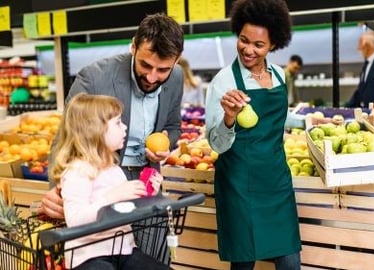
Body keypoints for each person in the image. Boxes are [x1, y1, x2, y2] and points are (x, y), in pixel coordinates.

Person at [40, 12, 184, 219]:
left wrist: (164, 146)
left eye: (162, 70)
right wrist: (57, 190)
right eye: (145, 65)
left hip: (147, 181)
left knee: (152, 250)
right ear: (133, 47)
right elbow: (64, 139)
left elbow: (172, 126)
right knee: (108, 246)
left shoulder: (176, 77)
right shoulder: (94, 78)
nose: (152, 77)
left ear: (177, 60)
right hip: (100, 183)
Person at [204, 0, 302, 269]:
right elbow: (216, 143)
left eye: (258, 45)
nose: (248, 49)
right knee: (244, 264)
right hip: (239, 184)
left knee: (290, 261)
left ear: (273, 45)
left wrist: (308, 122)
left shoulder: (279, 75)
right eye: (243, 40)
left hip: (276, 180)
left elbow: (278, 118)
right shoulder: (224, 81)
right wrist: (229, 117)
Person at [49, 93, 167, 270]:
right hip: (89, 257)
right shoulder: (77, 172)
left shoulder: (113, 169)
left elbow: (127, 208)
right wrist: (111, 197)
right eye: (118, 122)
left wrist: (148, 193)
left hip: (124, 250)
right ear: (94, 130)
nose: (125, 127)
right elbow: (75, 221)